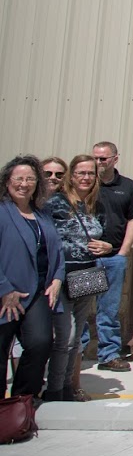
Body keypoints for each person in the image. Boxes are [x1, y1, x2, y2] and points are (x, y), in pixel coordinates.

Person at [0, 155, 63, 399]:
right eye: (18, 179)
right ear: (7, 182)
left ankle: (21, 401)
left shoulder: (42, 214)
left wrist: (57, 277)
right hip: (7, 293)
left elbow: (55, 250)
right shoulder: (3, 212)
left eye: (30, 179)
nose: (24, 184)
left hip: (36, 292)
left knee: (40, 343)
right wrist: (4, 289)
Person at [43, 155, 102, 402]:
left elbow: (97, 236)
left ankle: (67, 387)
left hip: (86, 276)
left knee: (76, 337)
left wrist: (106, 246)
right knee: (65, 338)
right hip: (61, 276)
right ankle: (54, 390)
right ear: (71, 176)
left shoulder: (92, 203)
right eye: (81, 173)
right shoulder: (56, 203)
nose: (86, 178)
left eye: (91, 173)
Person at [90, 140, 133, 372]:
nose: (98, 163)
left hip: (113, 258)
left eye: (103, 158)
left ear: (115, 158)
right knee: (83, 308)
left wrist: (122, 251)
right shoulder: (86, 184)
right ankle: (76, 354)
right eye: (95, 158)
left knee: (109, 309)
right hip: (88, 260)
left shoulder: (127, 187)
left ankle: (108, 354)